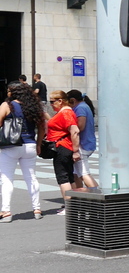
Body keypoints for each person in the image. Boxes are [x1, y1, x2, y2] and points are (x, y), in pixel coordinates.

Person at [0, 81, 46, 222]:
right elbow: (42, 127)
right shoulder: (34, 107)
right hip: (30, 145)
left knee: (6, 178)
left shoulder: (7, 105)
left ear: (14, 92)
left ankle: (6, 211)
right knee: (31, 177)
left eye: (9, 90)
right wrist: (38, 144)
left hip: (10, 146)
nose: (7, 92)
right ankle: (37, 209)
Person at [44, 90, 84, 215]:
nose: (51, 104)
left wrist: (76, 151)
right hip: (64, 147)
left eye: (52, 102)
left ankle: (69, 206)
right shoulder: (64, 112)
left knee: (63, 178)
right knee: (68, 176)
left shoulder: (66, 113)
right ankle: (72, 205)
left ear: (60, 101)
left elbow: (75, 130)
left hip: (62, 147)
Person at [65, 90, 100, 190]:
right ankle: (79, 197)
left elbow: (80, 127)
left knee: (84, 174)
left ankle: (96, 195)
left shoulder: (80, 108)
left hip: (83, 144)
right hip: (86, 143)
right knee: (76, 174)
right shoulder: (83, 106)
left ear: (73, 100)